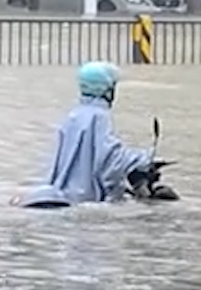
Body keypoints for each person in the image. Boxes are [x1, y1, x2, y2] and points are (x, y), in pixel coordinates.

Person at [19, 61, 152, 207]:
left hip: (62, 192)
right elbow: (110, 157)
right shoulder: (100, 117)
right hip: (86, 197)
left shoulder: (72, 116)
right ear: (108, 89)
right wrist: (143, 159)